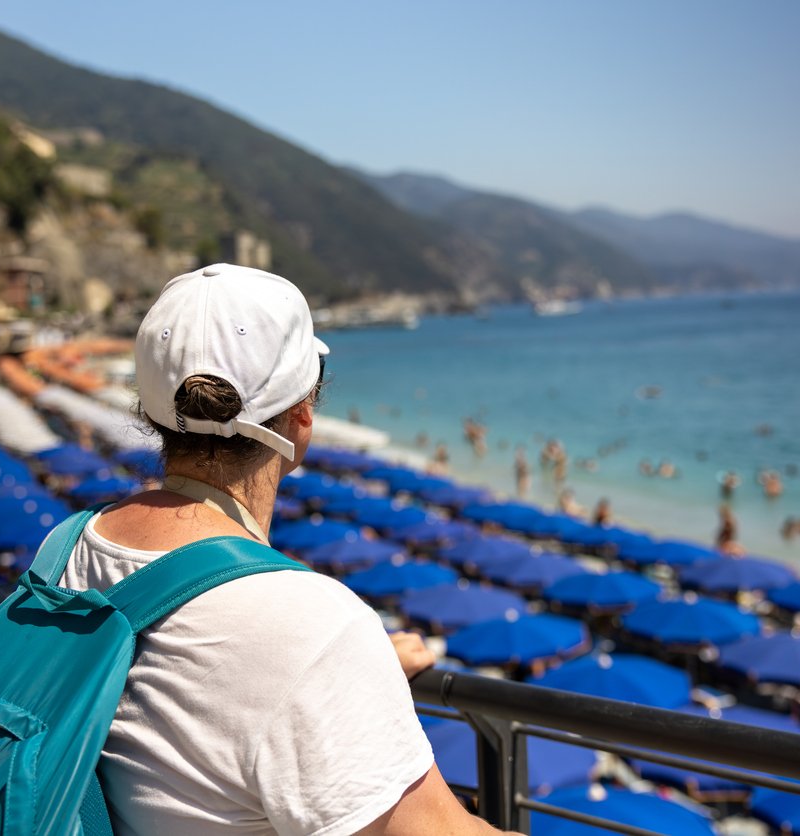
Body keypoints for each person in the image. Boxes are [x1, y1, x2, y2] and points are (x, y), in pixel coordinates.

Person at [57, 264, 513, 835]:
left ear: (149, 413)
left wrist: (354, 679)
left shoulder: (68, 547)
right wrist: (335, 662)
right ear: (303, 417)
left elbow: (193, 691)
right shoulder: (313, 626)